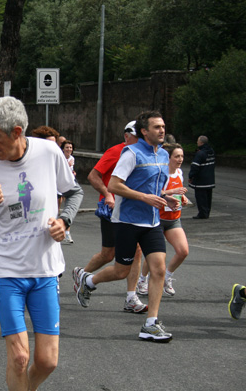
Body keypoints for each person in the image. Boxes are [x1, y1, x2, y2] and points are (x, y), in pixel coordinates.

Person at [0, 97, 83, 390]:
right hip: (6, 269)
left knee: (47, 361)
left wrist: (64, 221)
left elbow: (74, 192)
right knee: (19, 357)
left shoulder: (49, 151)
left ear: (17, 132)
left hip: (45, 269)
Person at [76, 111, 179, 343]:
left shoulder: (163, 155)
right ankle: (88, 281)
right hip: (127, 221)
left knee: (159, 269)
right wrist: (145, 198)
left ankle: (151, 324)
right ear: (144, 131)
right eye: (156, 127)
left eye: (163, 126)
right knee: (121, 271)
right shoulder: (131, 153)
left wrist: (165, 196)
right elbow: (114, 184)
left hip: (152, 222)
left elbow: (153, 188)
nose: (161, 130)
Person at [73, 121, 147, 313]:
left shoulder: (144, 153)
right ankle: (83, 276)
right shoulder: (116, 152)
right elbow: (93, 176)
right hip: (112, 209)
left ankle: (131, 297)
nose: (140, 140)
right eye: (136, 136)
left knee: (136, 251)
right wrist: (107, 194)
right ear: (126, 135)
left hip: (132, 211)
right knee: (108, 254)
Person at [137, 143, 189, 297]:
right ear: (169, 157)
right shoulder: (162, 172)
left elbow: (178, 193)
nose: (180, 159)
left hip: (173, 219)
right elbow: (154, 191)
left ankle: (167, 277)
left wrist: (183, 198)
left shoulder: (179, 172)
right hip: (158, 218)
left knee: (183, 251)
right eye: (177, 156)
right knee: (154, 254)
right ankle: (142, 280)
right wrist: (172, 192)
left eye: (182, 156)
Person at [188, 135, 215, 219]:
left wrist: (191, 176)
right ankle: (207, 212)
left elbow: (195, 166)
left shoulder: (200, 153)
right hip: (210, 180)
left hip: (201, 181)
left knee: (201, 198)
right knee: (208, 197)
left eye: (198, 141)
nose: (197, 142)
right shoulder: (211, 152)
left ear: (201, 143)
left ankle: (202, 214)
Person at [60, 140, 76, 244]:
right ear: (63, 149)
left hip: (69, 186)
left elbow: (70, 171)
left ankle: (67, 233)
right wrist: (67, 164)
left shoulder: (72, 158)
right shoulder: (60, 157)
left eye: (70, 148)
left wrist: (73, 172)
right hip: (58, 186)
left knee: (68, 209)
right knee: (56, 209)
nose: (69, 149)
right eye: (67, 147)